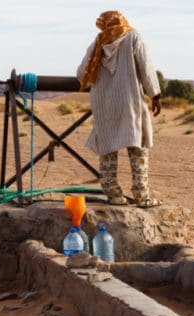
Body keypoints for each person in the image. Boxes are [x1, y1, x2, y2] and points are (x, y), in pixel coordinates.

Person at [76, 10, 162, 208]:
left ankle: (113, 194)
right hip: (130, 101)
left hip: (103, 103)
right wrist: (155, 94)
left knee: (107, 148)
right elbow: (146, 68)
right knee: (138, 147)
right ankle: (142, 195)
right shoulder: (133, 37)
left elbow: (81, 73)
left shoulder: (98, 43)